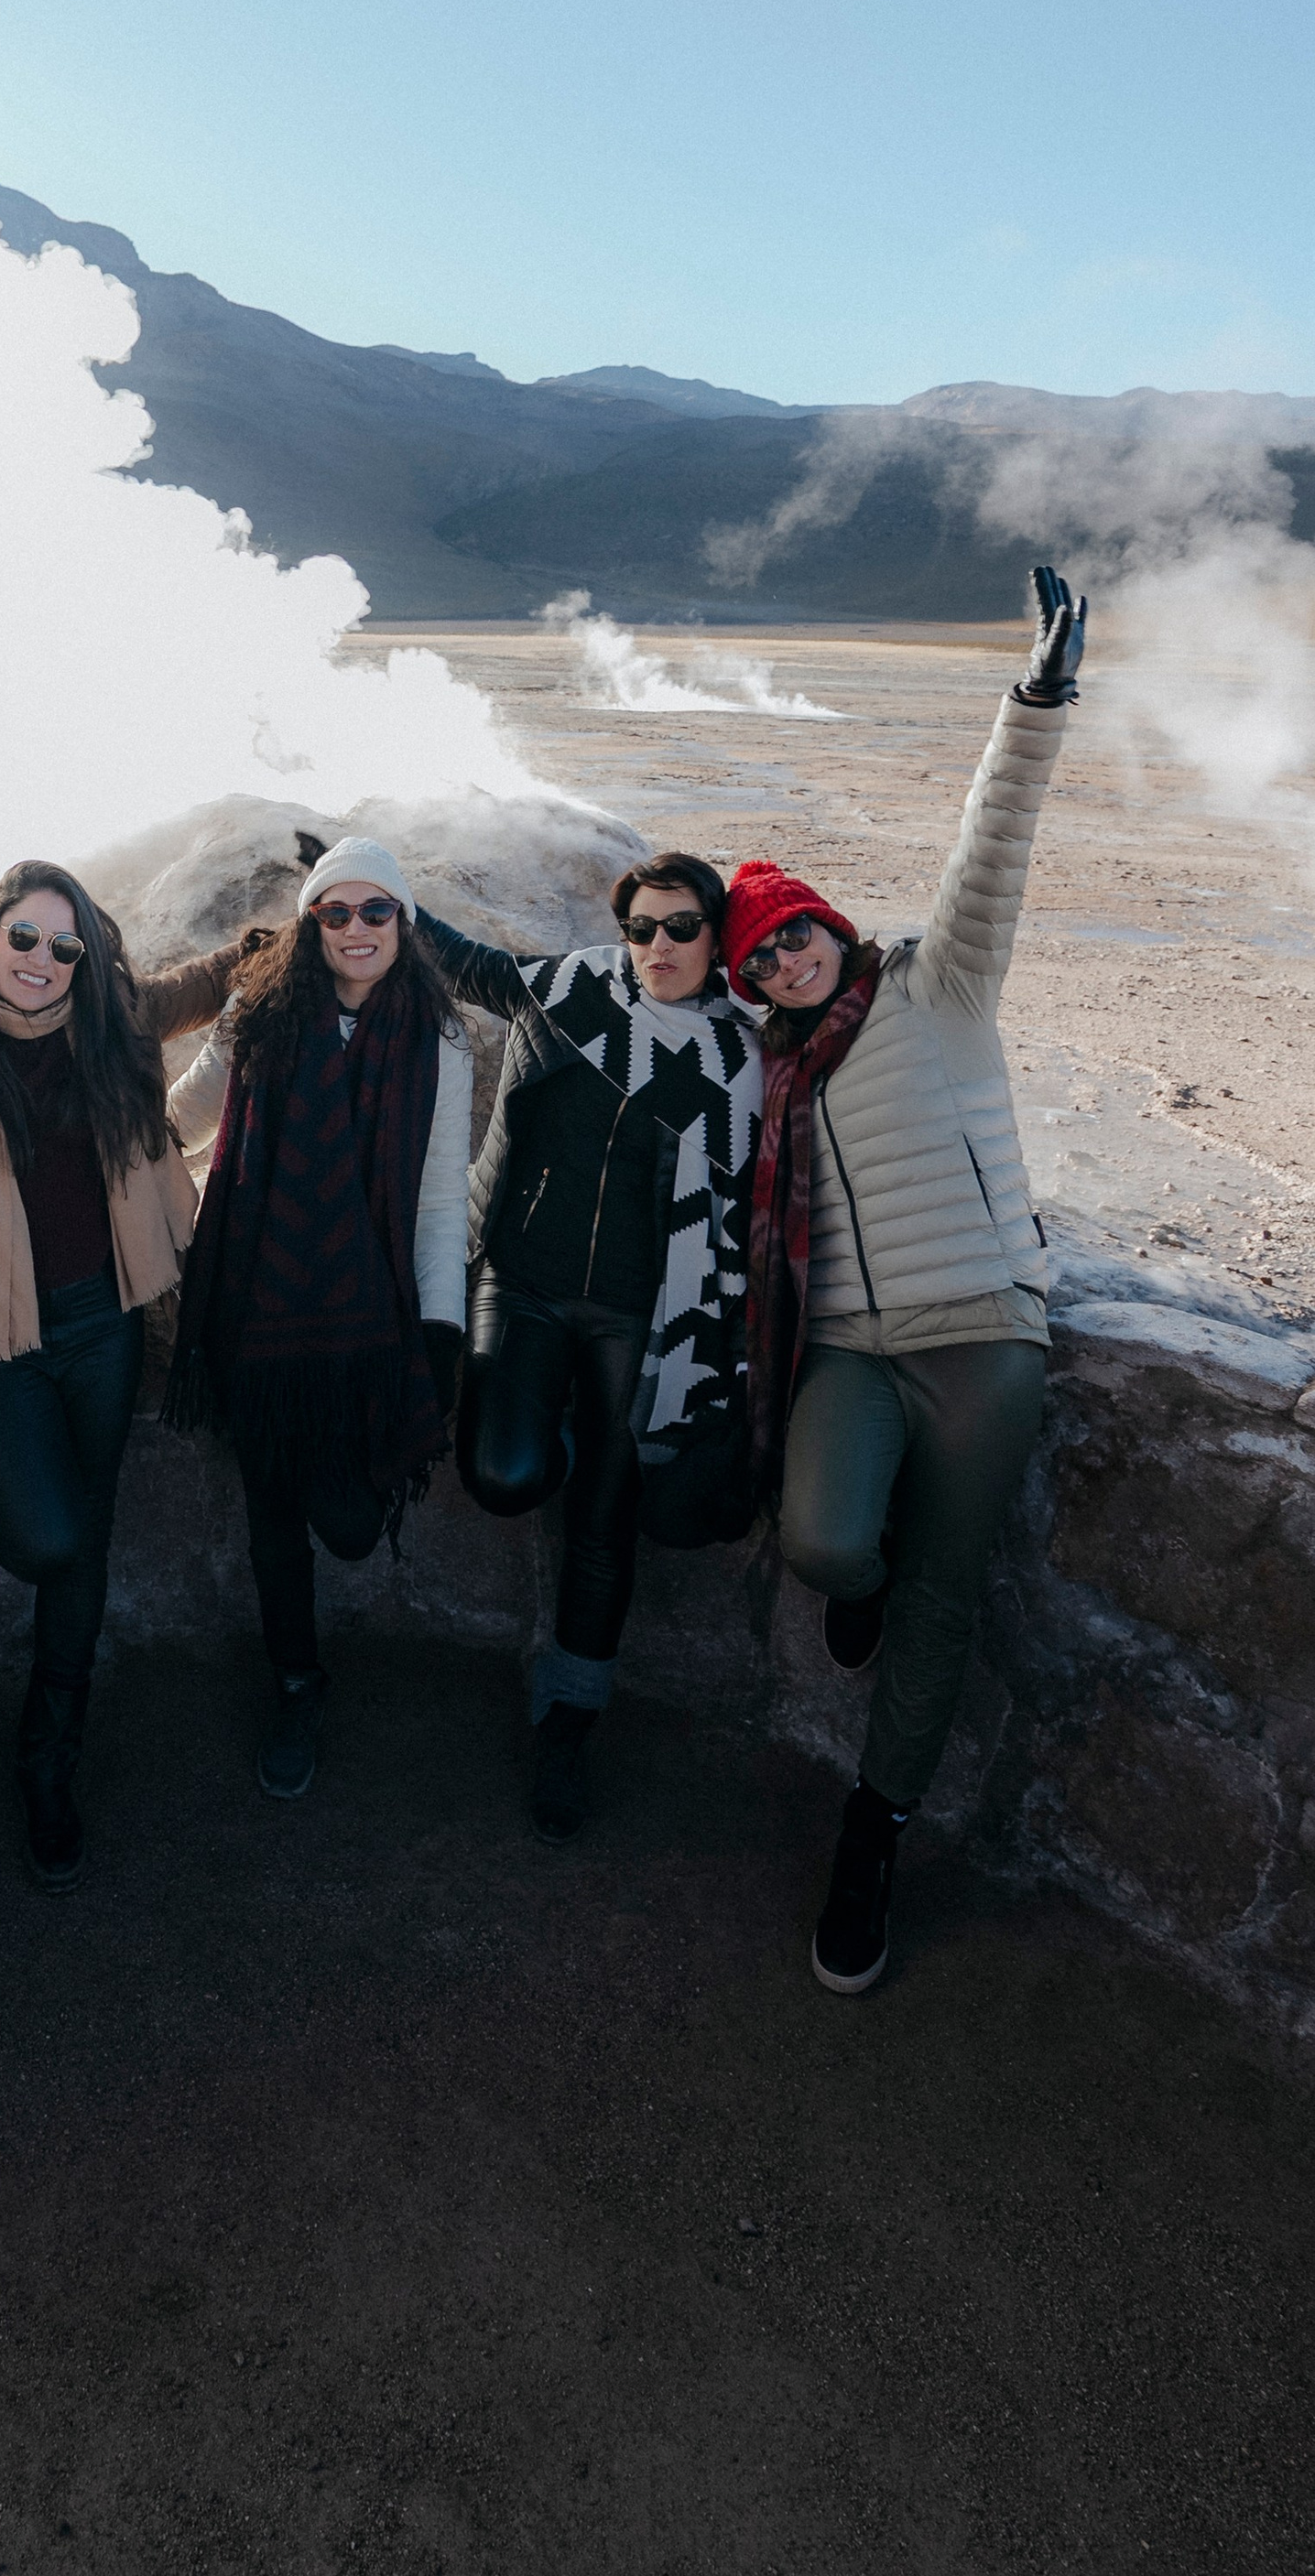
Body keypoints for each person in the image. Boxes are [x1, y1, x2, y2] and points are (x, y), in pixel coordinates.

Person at [723, 565, 1088, 1997]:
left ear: (831, 926)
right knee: (824, 1545)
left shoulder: (941, 982)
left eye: (796, 930)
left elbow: (993, 844)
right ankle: (855, 1582)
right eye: (762, 955)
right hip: (855, 1350)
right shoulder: (767, 1074)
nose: (785, 957)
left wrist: (1037, 700)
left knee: (944, 1594)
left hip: (988, 1332)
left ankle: (872, 1834)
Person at [413, 851, 763, 1844]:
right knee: (503, 1474)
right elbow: (467, 963)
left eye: (682, 927)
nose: (660, 946)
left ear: (713, 937)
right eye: (643, 927)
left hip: (643, 1318)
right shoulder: (568, 992)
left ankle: (567, 1721)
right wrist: (378, 886)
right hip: (521, 1281)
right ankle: (557, 1428)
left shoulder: (740, 1060)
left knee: (607, 1531)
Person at [0, 863, 245, 1889]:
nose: (41, 962)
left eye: (64, 948)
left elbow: (209, 980)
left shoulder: (110, 1017)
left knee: (85, 1535)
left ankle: (47, 1754)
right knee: (45, 1531)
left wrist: (307, 919)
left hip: (100, 1320)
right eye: (24, 938)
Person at [168, 838, 471, 1799]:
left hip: (368, 1310)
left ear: (404, 922)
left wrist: (440, 1333)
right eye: (331, 913)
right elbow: (180, 1120)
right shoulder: (258, 1013)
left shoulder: (436, 1036)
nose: (353, 929)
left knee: (344, 1519)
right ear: (308, 925)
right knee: (270, 1515)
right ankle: (295, 1680)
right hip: (257, 1301)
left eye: (373, 910)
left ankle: (306, 1648)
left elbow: (434, 1201)